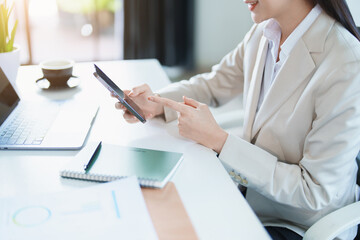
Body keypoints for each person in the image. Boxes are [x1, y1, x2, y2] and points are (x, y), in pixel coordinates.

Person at [114, 0, 360, 239]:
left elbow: (314, 191)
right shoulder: (265, 33)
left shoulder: (347, 63)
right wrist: (155, 103)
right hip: (251, 198)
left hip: (298, 224)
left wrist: (220, 141)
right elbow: (212, 85)